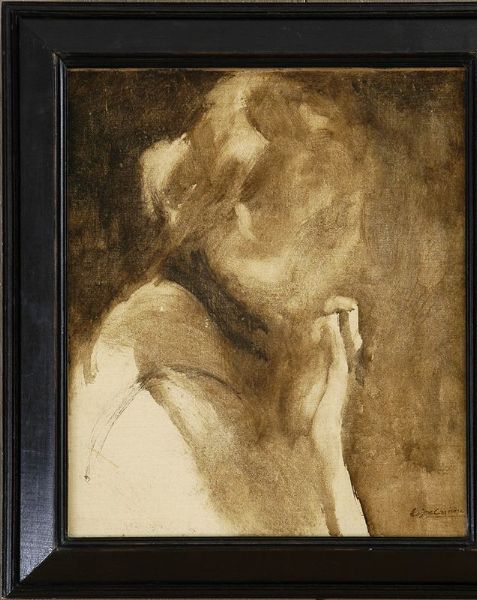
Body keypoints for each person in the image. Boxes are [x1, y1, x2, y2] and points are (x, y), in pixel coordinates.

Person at [68, 72, 377, 537]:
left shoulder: (259, 358)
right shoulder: (155, 388)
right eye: (322, 227)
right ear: (241, 216)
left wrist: (325, 441)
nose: (344, 258)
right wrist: (321, 455)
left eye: (340, 227)